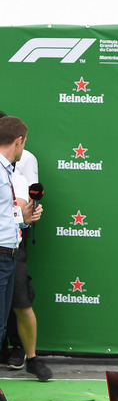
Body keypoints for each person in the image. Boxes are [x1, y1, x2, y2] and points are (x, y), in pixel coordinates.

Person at [0, 116, 43, 370]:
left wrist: (24, 219)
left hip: (9, 255)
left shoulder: (8, 171)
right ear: (19, 141)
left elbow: (7, 215)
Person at [8, 146, 51, 381]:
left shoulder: (19, 178)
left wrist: (25, 217)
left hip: (12, 248)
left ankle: (30, 357)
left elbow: (21, 214)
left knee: (21, 303)